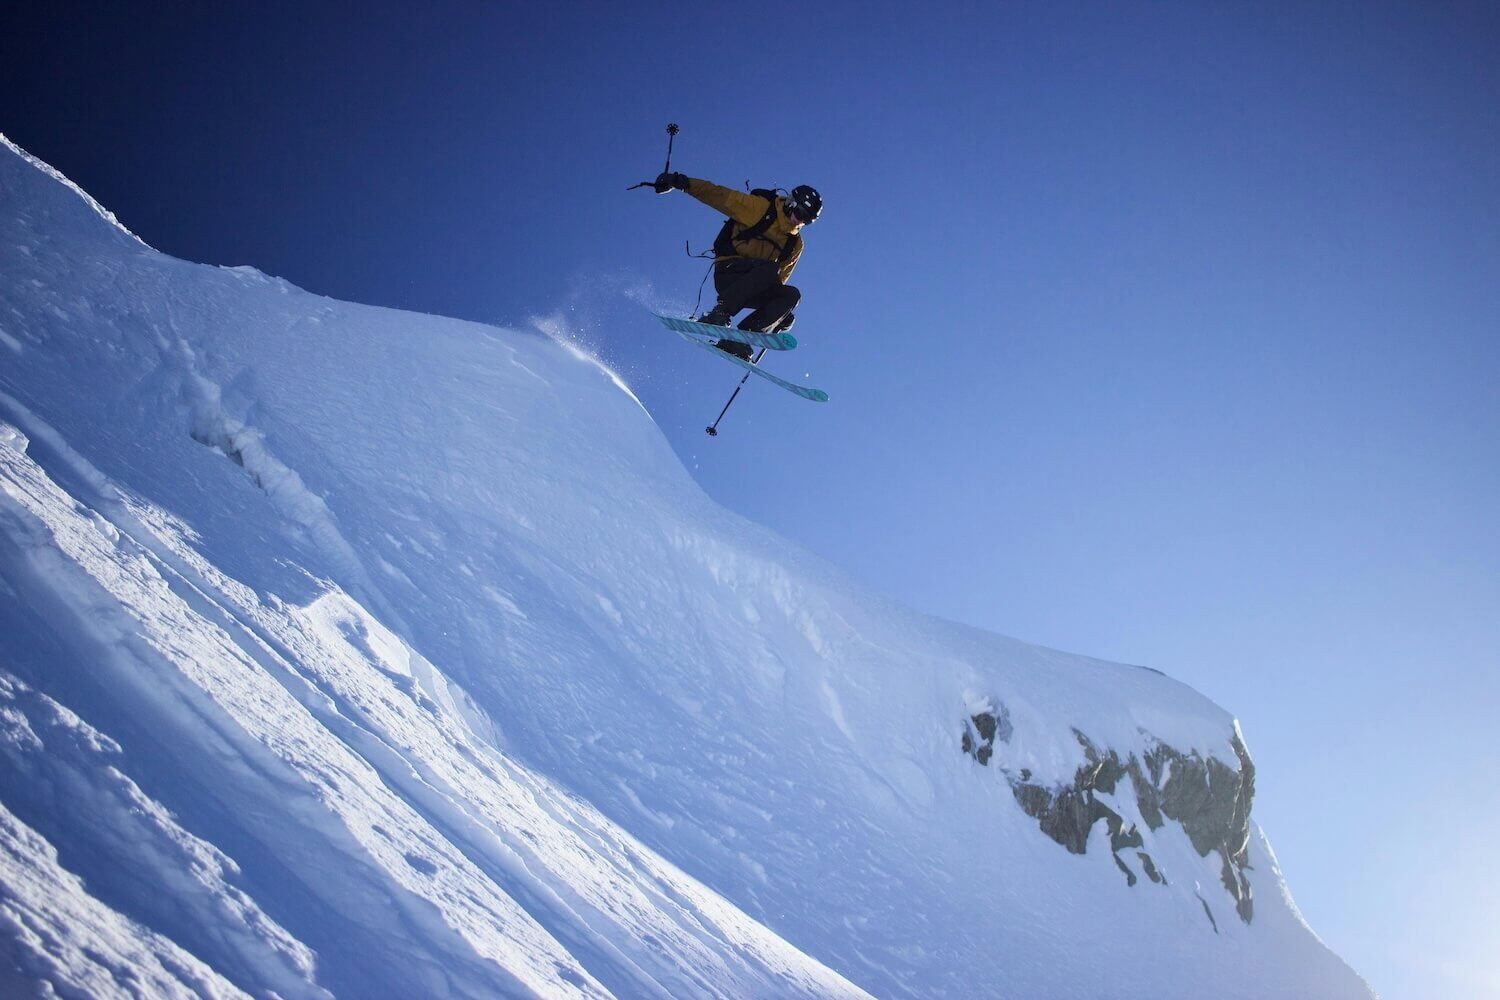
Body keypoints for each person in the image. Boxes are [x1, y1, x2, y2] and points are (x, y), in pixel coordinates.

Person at [654, 171, 822, 360]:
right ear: (791, 203)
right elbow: (719, 196)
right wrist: (681, 182)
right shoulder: (760, 209)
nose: (800, 221)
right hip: (729, 273)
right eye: (799, 214)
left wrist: (781, 313)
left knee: (791, 295)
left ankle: (741, 339)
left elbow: (779, 281)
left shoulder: (795, 244)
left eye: (806, 220)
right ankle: (720, 313)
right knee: (770, 269)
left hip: (755, 284)